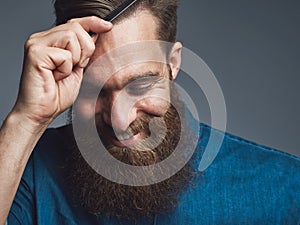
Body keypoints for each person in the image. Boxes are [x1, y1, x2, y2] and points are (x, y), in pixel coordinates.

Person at [0, 0, 299, 224]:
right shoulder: (31, 174)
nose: (119, 121)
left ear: (173, 63)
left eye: (140, 85)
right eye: (92, 89)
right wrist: (26, 120)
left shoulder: (285, 190)